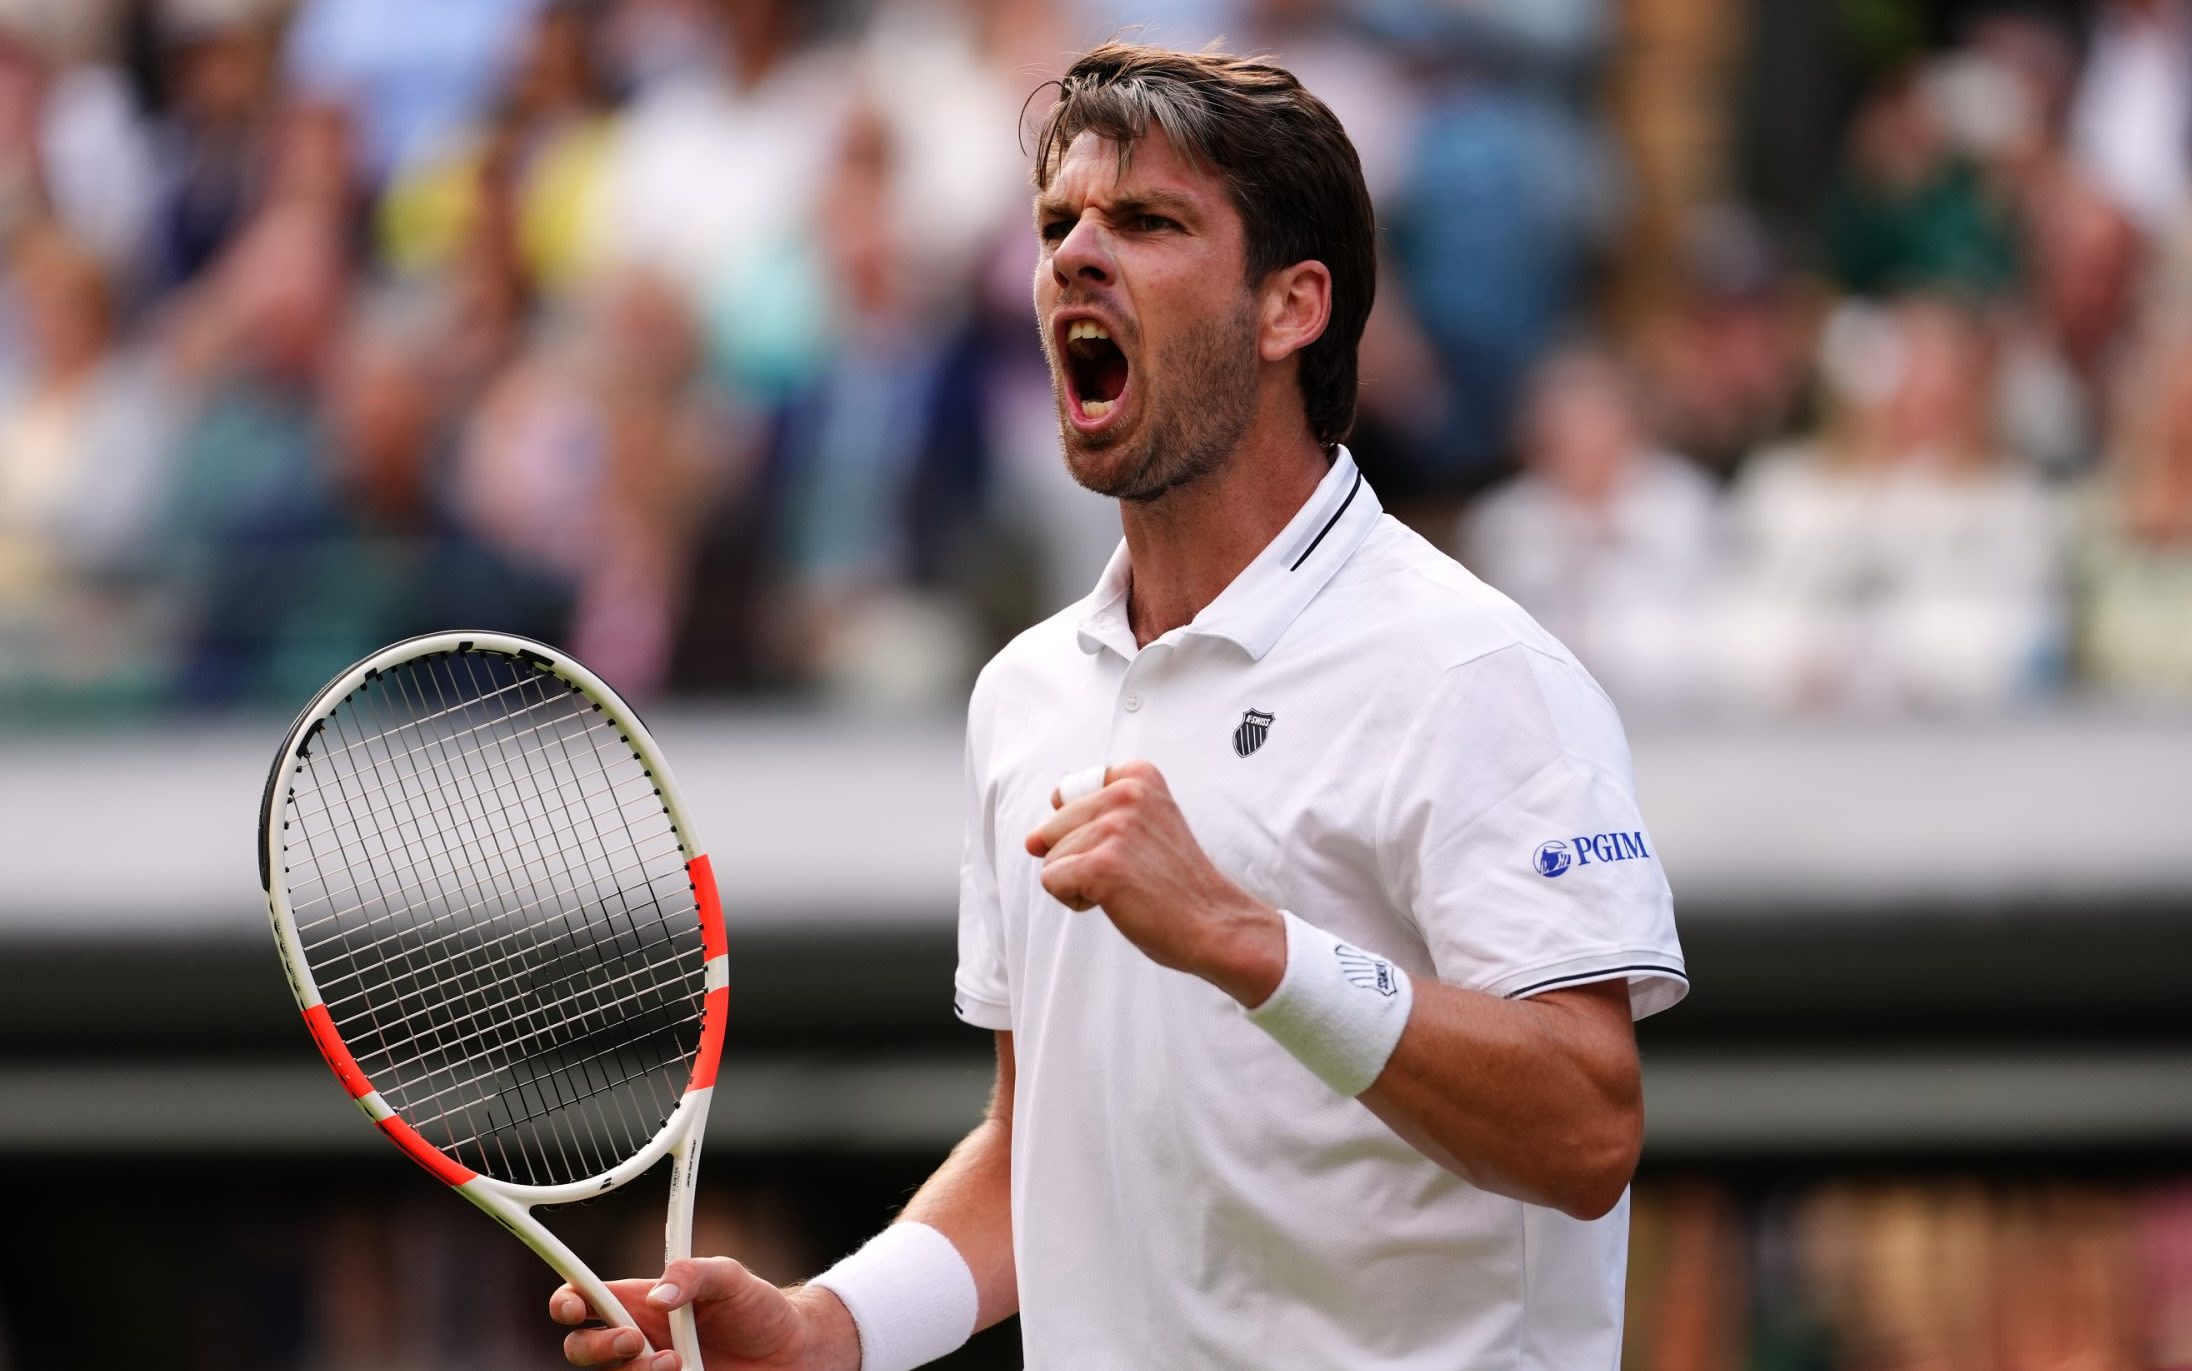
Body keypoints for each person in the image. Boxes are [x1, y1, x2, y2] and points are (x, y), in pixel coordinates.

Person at [553, 43, 1685, 1371]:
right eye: (1056, 226)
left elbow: (1587, 1129)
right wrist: (827, 1328)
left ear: (1291, 307)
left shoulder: (1476, 671)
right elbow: (1044, 1144)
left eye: (1147, 222)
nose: (1075, 258)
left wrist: (1248, 941)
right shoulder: (1024, 695)